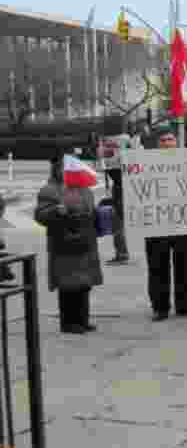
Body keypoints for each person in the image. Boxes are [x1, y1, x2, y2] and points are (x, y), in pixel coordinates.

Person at [35, 154, 102, 334]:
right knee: (68, 285)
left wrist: (99, 215)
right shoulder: (49, 190)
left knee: (84, 284)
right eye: (63, 168)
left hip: (85, 242)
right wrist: (56, 211)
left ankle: (83, 319)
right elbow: (40, 216)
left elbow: (91, 213)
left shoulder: (84, 190)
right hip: (64, 244)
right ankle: (69, 323)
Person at [143, 128, 187, 320]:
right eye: (163, 139)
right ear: (157, 144)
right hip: (157, 224)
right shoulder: (145, 161)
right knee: (157, 267)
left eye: (171, 139)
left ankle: (186, 304)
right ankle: (160, 307)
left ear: (177, 142)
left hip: (185, 224)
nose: (167, 143)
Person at [101, 130, 132, 265]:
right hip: (121, 191)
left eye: (112, 146)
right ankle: (122, 253)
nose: (108, 149)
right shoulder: (118, 162)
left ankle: (122, 253)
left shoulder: (118, 164)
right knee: (117, 224)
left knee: (118, 224)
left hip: (122, 192)